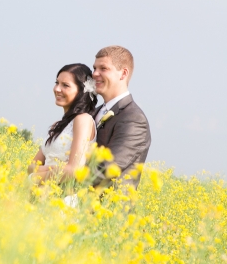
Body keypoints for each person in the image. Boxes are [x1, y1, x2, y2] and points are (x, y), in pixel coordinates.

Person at [27, 63, 98, 206]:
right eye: (57, 83)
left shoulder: (83, 120)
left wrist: (35, 177)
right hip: (41, 199)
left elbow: (74, 170)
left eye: (65, 85)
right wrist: (58, 168)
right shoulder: (58, 125)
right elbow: (31, 166)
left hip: (61, 203)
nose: (57, 89)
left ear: (81, 91)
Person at [92, 46, 151, 190]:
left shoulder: (134, 119)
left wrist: (59, 174)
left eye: (103, 69)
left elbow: (107, 169)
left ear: (123, 74)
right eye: (94, 68)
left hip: (108, 210)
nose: (94, 74)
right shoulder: (94, 112)